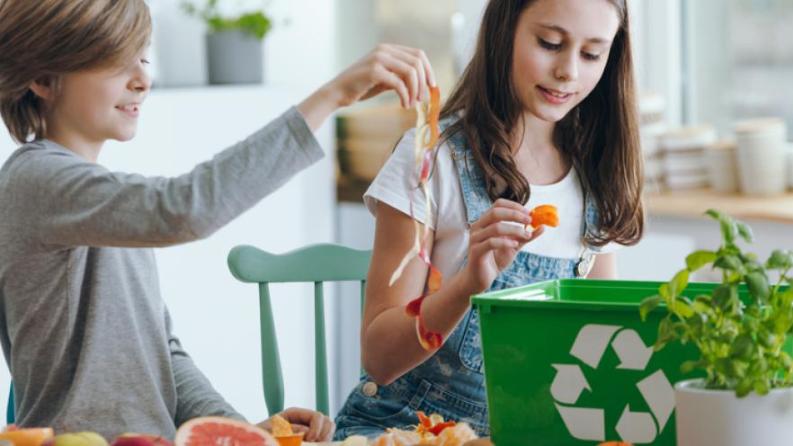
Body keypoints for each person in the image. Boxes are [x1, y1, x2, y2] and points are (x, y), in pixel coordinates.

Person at [0, 0, 435, 441]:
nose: (142, 80)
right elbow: (185, 209)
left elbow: (162, 356)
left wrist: (238, 429)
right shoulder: (35, 181)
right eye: (115, 63)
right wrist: (333, 96)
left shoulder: (98, 199)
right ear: (42, 78)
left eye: (143, 59)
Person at [333, 0, 644, 438]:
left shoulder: (597, 178)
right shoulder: (431, 159)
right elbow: (380, 359)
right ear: (504, 30)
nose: (568, 71)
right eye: (550, 43)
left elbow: (604, 347)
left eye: (591, 53)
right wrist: (466, 286)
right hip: (404, 430)